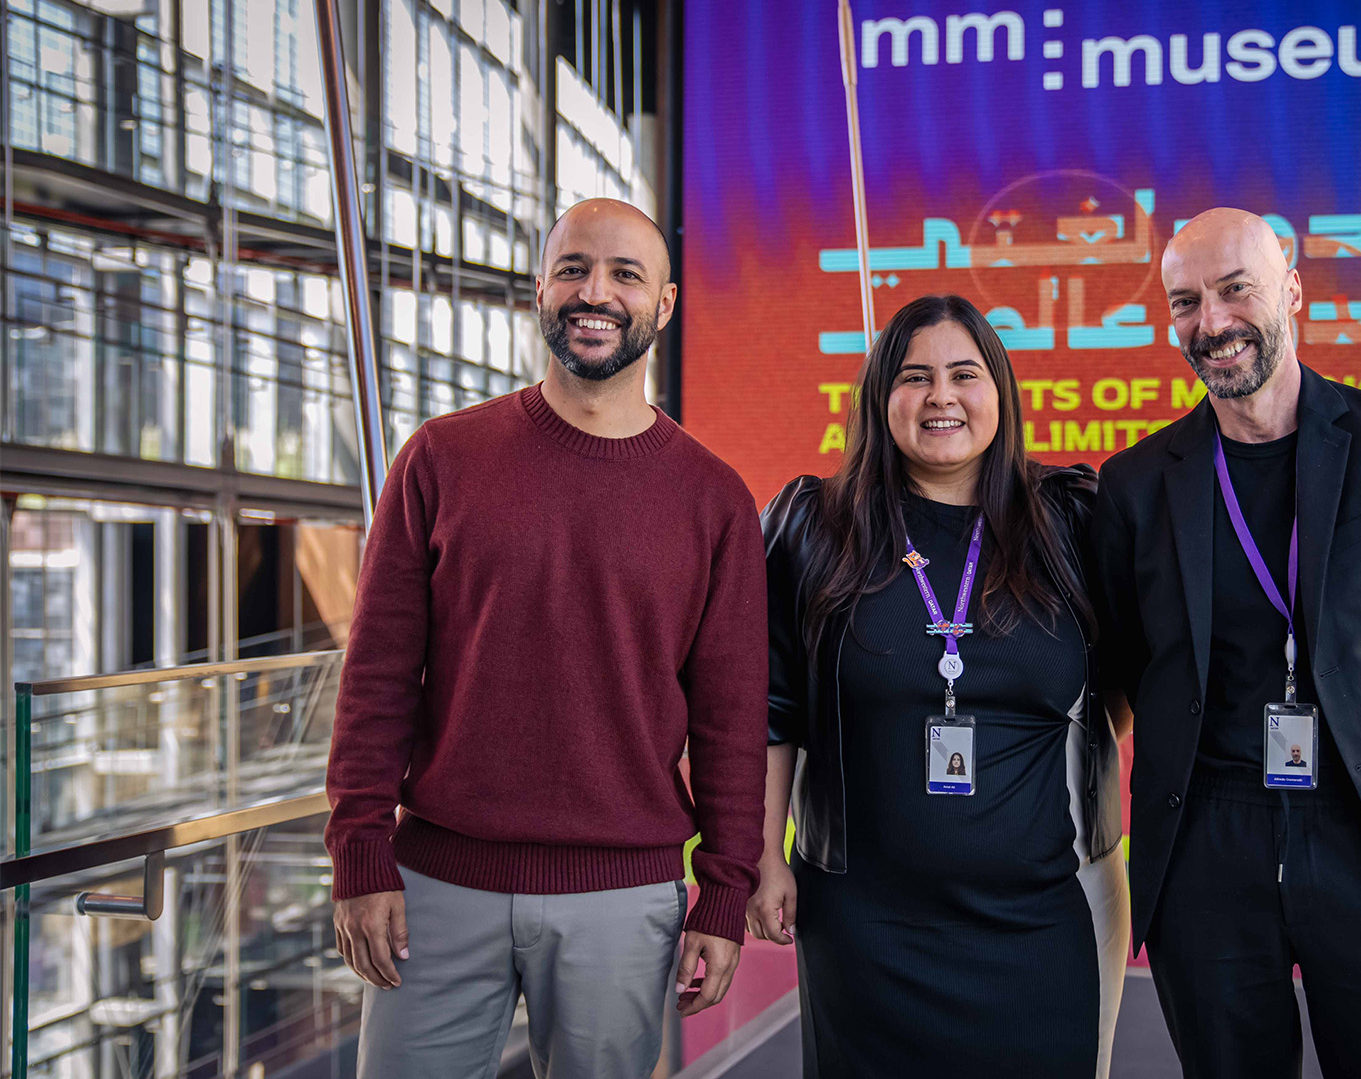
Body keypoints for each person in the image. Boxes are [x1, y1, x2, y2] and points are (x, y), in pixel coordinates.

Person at [325, 198, 768, 1078]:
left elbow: (730, 717)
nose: (593, 292)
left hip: (623, 896)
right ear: (539, 289)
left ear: (665, 305)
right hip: (436, 890)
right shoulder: (442, 458)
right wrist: (360, 851)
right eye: (573, 269)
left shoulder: (714, 500)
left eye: (623, 274)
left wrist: (724, 892)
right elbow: (377, 675)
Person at [1092, 208, 1361, 1078]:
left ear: (1293, 293)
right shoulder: (1136, 487)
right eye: (1187, 302)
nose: (1214, 323)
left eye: (1237, 290)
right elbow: (1127, 662)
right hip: (1206, 843)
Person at [751, 294, 1130, 1078]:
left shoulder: (1071, 521)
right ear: (879, 397)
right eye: (914, 377)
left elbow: (1121, 685)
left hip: (1039, 922)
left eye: (965, 373)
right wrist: (762, 855)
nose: (940, 397)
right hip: (865, 929)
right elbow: (770, 710)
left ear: (1001, 391)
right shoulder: (816, 525)